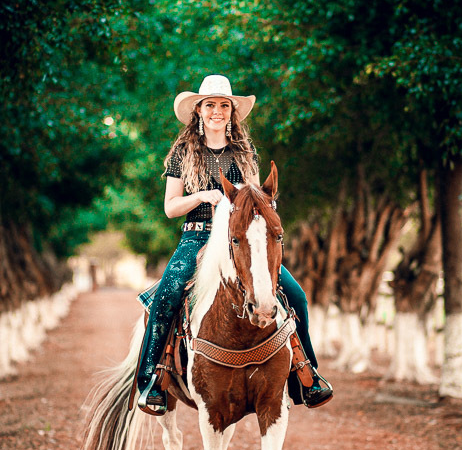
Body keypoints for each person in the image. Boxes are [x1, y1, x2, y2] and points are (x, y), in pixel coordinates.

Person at [134, 74, 333, 415]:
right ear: (198, 111)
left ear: (231, 112)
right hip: (197, 235)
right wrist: (203, 196)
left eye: (224, 105)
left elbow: (258, 199)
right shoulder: (182, 153)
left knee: (295, 295)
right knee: (168, 293)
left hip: (241, 240)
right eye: (210, 105)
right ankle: (152, 378)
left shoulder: (244, 153)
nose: (217, 111)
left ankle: (307, 374)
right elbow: (170, 207)